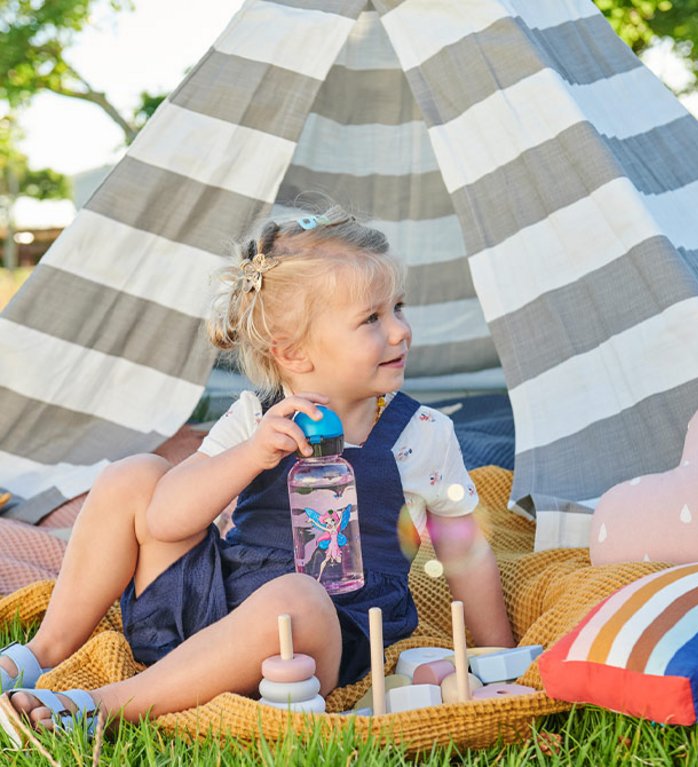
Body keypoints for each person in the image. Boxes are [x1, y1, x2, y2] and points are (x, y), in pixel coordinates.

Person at [0, 205, 513, 739]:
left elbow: (464, 547)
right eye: (372, 319)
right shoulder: (255, 415)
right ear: (292, 353)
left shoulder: (423, 433)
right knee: (133, 474)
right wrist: (251, 455)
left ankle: (99, 706)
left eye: (399, 309)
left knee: (296, 599)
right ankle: (43, 652)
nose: (401, 331)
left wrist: (498, 654)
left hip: (321, 632)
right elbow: (166, 521)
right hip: (202, 606)